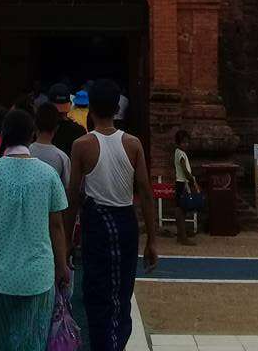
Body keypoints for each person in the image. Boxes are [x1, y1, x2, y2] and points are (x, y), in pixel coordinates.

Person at [0, 109, 68, 351]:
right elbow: (57, 226)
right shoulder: (48, 174)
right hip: (37, 276)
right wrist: (62, 266)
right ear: (32, 135)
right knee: (33, 342)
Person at [65, 79, 158, 351]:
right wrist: (152, 240)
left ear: (90, 109)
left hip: (96, 224)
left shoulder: (82, 145)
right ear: (118, 108)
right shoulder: (133, 144)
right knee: (121, 292)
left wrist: (68, 240)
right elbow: (146, 193)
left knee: (96, 293)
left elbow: (72, 198)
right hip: (126, 223)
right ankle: (116, 344)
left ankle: (103, 345)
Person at [30, 103, 71, 187]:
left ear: (35, 124)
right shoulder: (62, 157)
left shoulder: (26, 152)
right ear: (56, 128)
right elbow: (66, 187)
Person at [174, 129, 198, 246]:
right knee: (181, 210)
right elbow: (184, 169)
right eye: (183, 142)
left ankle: (181, 234)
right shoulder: (180, 153)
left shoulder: (180, 153)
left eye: (187, 142)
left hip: (182, 182)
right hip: (181, 182)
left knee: (182, 210)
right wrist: (192, 180)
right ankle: (182, 236)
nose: (186, 144)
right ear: (178, 143)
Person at [48, 82, 86, 156]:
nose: (61, 117)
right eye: (59, 114)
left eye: (62, 113)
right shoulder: (79, 130)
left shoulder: (42, 129)